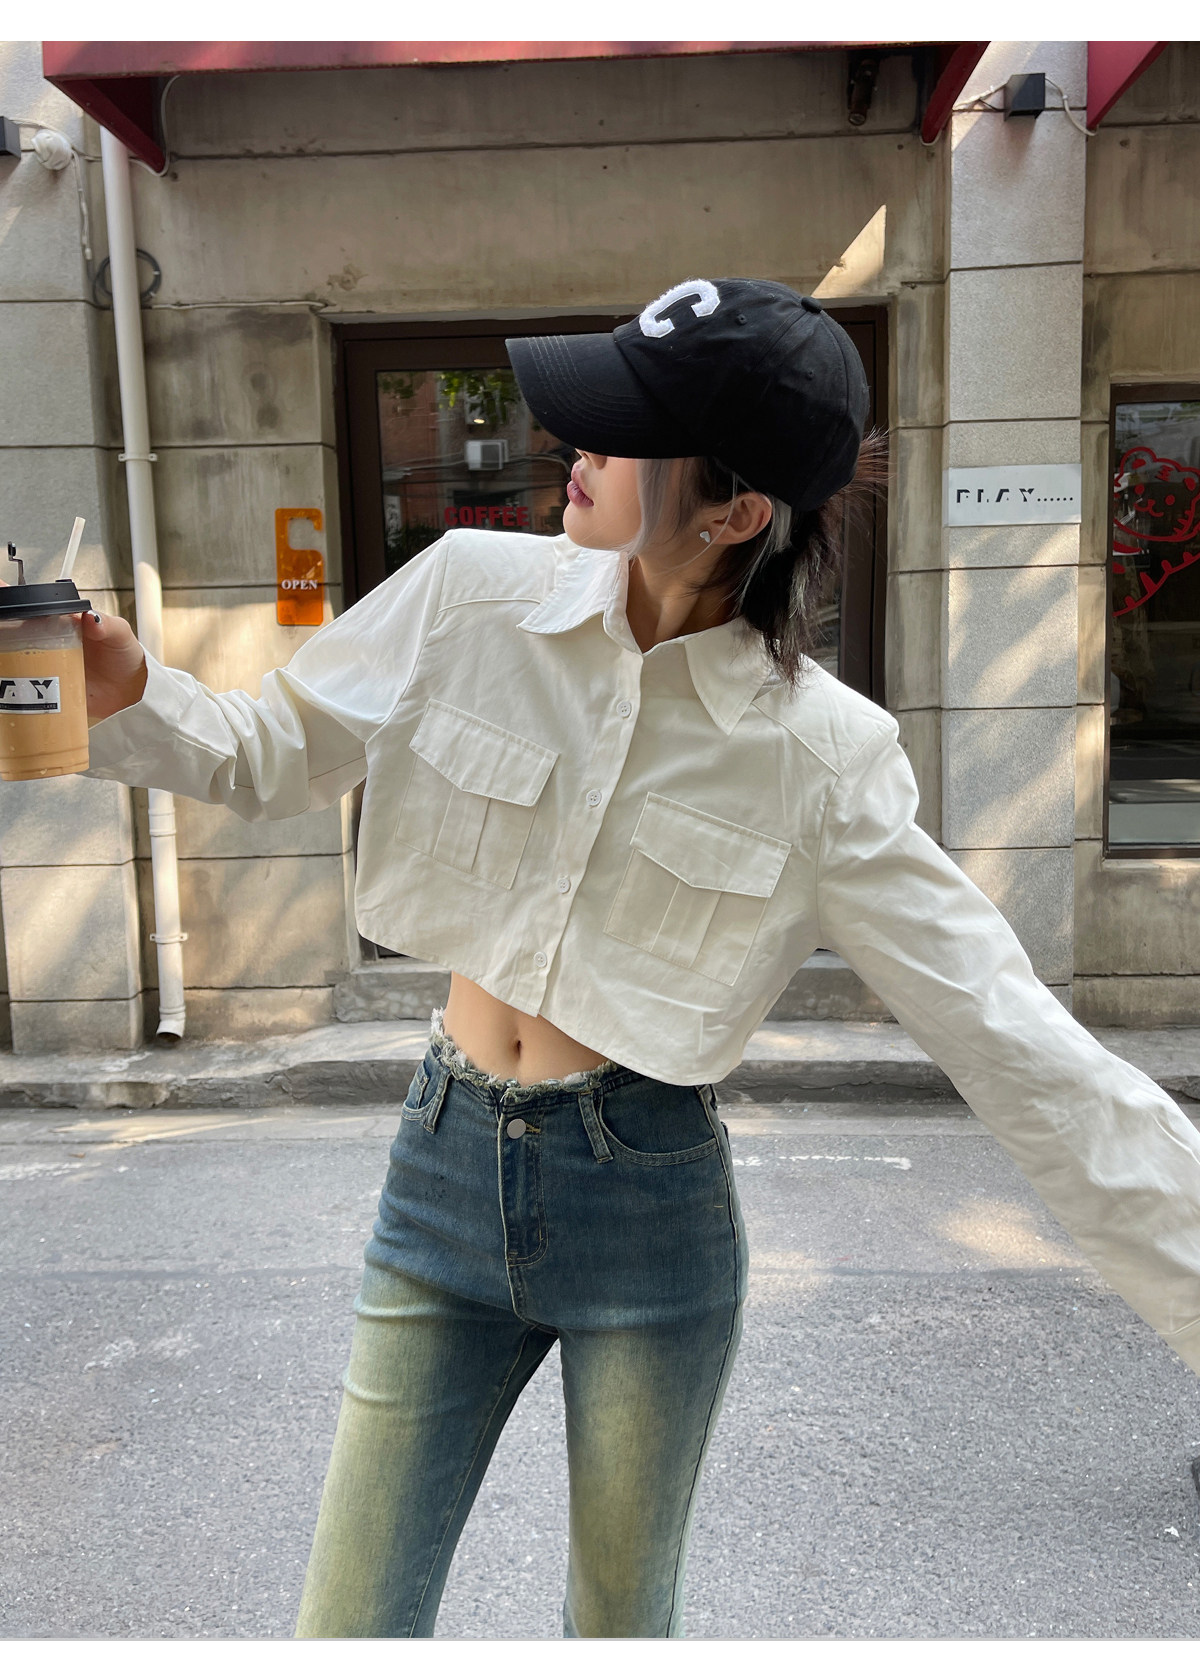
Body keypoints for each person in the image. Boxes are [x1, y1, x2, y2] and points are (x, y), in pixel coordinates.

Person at [67, 277, 1200, 1639]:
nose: (576, 445)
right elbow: (270, 751)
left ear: (736, 512)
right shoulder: (468, 594)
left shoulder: (824, 757)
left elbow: (1013, 1040)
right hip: (441, 1180)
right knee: (347, 1628)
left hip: (647, 1212)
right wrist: (132, 694)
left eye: (626, 431)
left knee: (618, 1629)